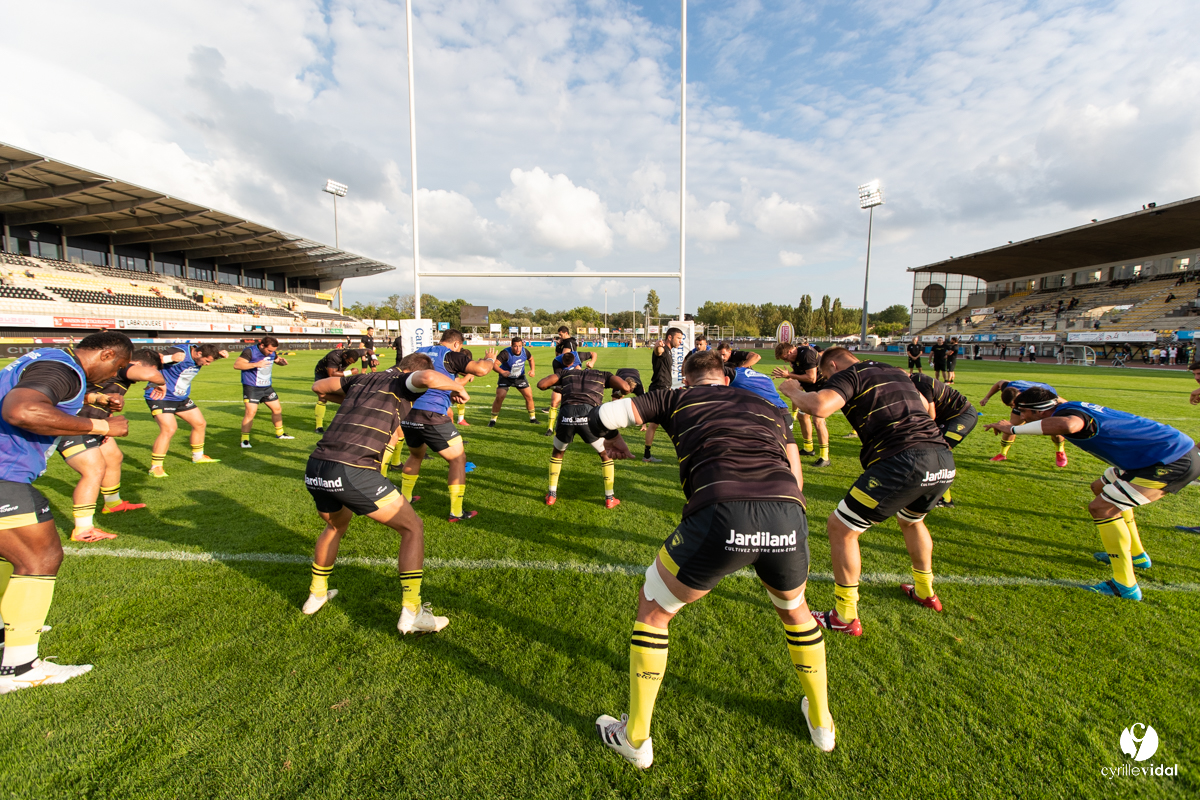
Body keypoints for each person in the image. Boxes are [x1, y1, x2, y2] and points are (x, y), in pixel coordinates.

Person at [591, 350, 834, 766]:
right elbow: (796, 472)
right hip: (787, 512)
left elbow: (599, 416)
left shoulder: (675, 397)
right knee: (796, 611)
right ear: (726, 378)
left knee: (654, 609)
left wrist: (612, 441)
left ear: (686, 380)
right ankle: (822, 723)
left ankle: (636, 739)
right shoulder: (766, 405)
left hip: (722, 509)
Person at [780, 347, 955, 635]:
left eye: (826, 375)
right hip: (942, 457)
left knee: (841, 527)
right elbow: (924, 405)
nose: (828, 380)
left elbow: (821, 406)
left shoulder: (851, 373)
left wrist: (792, 391)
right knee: (912, 521)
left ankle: (845, 615)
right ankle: (925, 590)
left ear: (833, 365)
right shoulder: (895, 371)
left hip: (903, 460)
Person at [0, 332, 134, 693]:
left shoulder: (52, 359)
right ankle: (18, 668)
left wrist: (94, 398)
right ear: (106, 354)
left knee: (10, 555)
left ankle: (6, 634)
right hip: (4, 474)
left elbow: (42, 390)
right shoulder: (64, 369)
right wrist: (102, 424)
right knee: (40, 557)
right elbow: (21, 410)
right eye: (117, 367)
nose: (114, 375)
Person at [984, 387, 1199, 600]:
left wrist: (1012, 429)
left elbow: (1069, 425)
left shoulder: (1069, 417)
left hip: (1170, 460)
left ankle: (1124, 585)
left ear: (1038, 411)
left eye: (1023, 412)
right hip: (1156, 456)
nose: (1021, 417)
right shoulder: (1066, 406)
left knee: (1102, 508)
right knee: (1100, 488)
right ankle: (1136, 555)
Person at [303, 352, 465, 632]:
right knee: (412, 528)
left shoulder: (362, 379)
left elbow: (319, 387)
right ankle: (412, 612)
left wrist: (356, 400)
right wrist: (458, 387)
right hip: (353, 467)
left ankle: (316, 594)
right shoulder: (405, 381)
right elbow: (427, 377)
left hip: (317, 467)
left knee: (335, 527)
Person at [57, 348, 166, 541]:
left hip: (97, 424)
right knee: (93, 470)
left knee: (114, 457)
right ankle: (82, 529)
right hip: (74, 424)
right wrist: (160, 383)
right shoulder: (123, 368)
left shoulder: (113, 374)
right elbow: (151, 374)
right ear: (136, 364)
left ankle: (113, 503)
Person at [399, 330, 495, 522]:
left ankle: (405, 499)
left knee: (415, 455)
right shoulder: (449, 355)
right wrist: (490, 360)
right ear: (456, 344)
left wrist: (451, 393)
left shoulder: (420, 352)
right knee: (458, 459)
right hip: (431, 414)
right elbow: (481, 370)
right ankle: (456, 512)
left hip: (408, 413)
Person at [536, 353, 631, 507]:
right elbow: (626, 388)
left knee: (558, 452)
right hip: (589, 415)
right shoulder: (603, 375)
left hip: (567, 413)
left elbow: (541, 384)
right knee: (606, 455)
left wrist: (558, 388)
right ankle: (609, 498)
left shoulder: (566, 373)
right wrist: (619, 393)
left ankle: (552, 495)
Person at [146, 343, 228, 477]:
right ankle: (156, 467)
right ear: (199, 353)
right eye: (206, 361)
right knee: (169, 429)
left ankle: (198, 456)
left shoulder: (199, 354)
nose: (207, 365)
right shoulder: (179, 352)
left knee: (200, 423)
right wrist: (170, 358)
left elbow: (208, 354)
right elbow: (152, 359)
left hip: (180, 397)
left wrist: (220, 354)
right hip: (161, 395)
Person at [910, 373, 977, 509]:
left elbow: (931, 415)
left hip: (961, 416)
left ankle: (945, 499)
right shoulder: (913, 382)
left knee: (937, 453)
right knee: (928, 452)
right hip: (946, 418)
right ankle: (928, 491)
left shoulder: (919, 383)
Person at [979, 379, 1068, 466]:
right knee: (1010, 427)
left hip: (1042, 403)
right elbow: (999, 383)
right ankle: (1002, 454)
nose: (1012, 408)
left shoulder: (1042, 395)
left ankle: (1060, 451)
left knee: (1054, 428)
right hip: (1025, 402)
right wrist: (986, 397)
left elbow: (1063, 402)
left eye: (1013, 405)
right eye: (1011, 406)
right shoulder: (1009, 387)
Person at [772, 340, 831, 467]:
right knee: (802, 416)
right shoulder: (795, 358)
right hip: (812, 390)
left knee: (818, 420)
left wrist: (789, 375)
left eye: (785, 358)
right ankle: (808, 448)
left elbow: (811, 378)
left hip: (824, 389)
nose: (786, 361)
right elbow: (800, 375)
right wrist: (787, 376)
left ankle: (825, 457)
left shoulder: (806, 354)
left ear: (790, 351)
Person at [234, 336, 293, 448]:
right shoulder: (250, 351)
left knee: (277, 409)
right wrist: (255, 364)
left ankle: (280, 434)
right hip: (252, 387)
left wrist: (282, 362)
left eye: (273, 351)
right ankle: (245, 440)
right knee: (250, 413)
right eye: (269, 350)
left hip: (267, 387)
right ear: (262, 345)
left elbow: (276, 360)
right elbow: (237, 365)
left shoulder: (272, 353)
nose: (271, 352)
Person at [642, 328, 687, 463]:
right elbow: (658, 352)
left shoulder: (669, 351)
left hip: (661, 390)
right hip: (660, 391)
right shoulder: (663, 349)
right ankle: (685, 454)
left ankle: (647, 455)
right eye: (678, 338)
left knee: (654, 424)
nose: (680, 341)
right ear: (670, 337)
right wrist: (657, 347)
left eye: (681, 338)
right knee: (675, 421)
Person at [546, 332, 596, 437]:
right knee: (554, 401)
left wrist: (592, 362)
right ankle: (550, 428)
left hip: (577, 383)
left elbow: (593, 353)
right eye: (566, 365)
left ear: (574, 361)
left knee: (584, 403)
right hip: (563, 383)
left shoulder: (578, 356)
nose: (568, 367)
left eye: (570, 365)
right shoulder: (556, 362)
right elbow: (559, 379)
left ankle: (586, 426)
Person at [489, 337, 538, 426]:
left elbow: (531, 359)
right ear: (511, 345)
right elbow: (494, 364)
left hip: (519, 377)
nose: (518, 349)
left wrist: (533, 370)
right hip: (506, 377)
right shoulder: (505, 353)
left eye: (520, 346)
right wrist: (502, 372)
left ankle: (533, 418)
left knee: (529, 396)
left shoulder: (525, 351)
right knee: (500, 397)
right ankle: (493, 420)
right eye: (515, 346)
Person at [313, 348, 362, 433]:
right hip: (322, 375)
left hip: (337, 374)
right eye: (349, 362)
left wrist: (373, 357)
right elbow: (331, 374)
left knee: (346, 398)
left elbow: (368, 350)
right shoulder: (334, 356)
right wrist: (350, 372)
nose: (349, 364)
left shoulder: (354, 353)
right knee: (322, 398)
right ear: (345, 356)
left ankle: (345, 423)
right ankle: (319, 427)